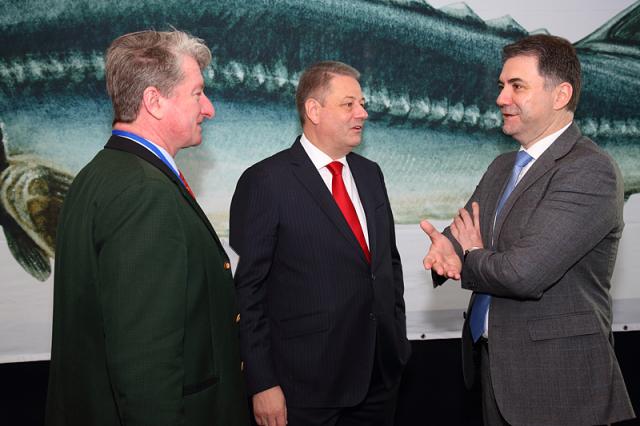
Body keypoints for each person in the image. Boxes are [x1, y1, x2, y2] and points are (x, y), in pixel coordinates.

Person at [421, 34, 636, 425]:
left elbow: (523, 274)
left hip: (558, 384)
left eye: (517, 86)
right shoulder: (503, 166)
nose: (502, 98)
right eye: (501, 86)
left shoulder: (590, 170)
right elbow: (463, 234)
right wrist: (447, 251)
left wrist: (469, 255)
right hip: (496, 371)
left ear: (561, 95)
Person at [45, 30, 249, 426]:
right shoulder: (144, 194)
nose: (209, 108)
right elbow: (145, 367)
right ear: (154, 101)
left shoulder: (100, 174)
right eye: (197, 93)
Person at [229, 61, 411, 426]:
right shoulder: (266, 180)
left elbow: (386, 265)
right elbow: (249, 292)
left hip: (379, 378)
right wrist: (261, 382)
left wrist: (398, 343)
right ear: (314, 110)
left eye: (362, 103)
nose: (363, 112)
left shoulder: (370, 174)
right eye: (349, 104)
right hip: (304, 389)